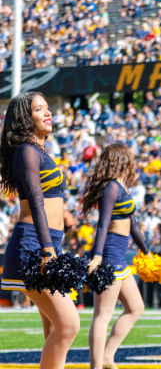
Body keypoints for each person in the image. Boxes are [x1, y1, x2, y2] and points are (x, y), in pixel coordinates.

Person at [0, 92, 79, 369]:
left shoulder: (39, 151)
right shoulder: (27, 152)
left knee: (54, 329)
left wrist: (54, 247)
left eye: (48, 107)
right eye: (39, 109)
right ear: (25, 118)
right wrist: (48, 250)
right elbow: (36, 202)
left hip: (47, 244)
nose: (48, 113)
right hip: (33, 247)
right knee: (68, 326)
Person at [84, 144, 150, 369]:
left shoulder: (123, 186)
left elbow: (133, 225)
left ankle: (107, 356)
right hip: (109, 252)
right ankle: (96, 366)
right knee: (103, 314)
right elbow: (102, 225)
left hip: (120, 255)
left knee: (136, 307)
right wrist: (97, 257)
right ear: (121, 159)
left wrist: (146, 251)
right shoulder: (112, 187)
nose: (133, 160)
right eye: (129, 156)